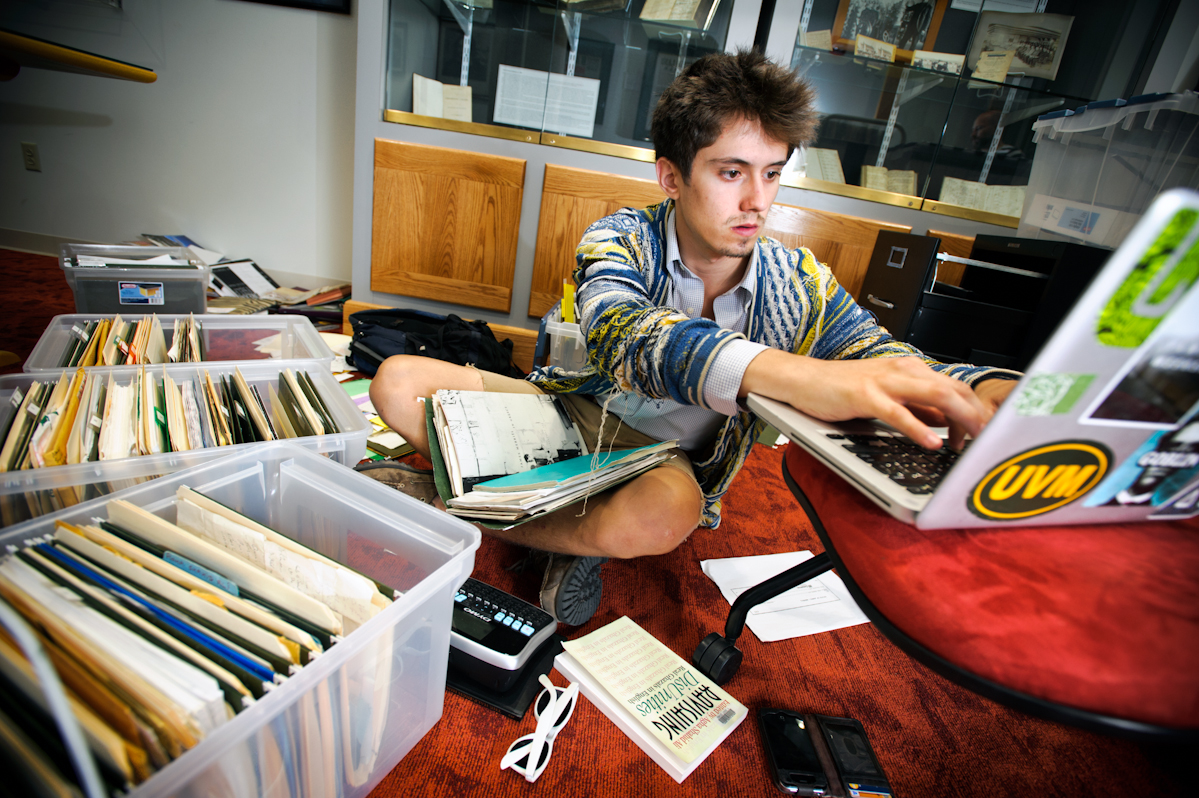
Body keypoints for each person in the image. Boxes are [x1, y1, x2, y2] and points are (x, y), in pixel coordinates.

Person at [369, 49, 1019, 627]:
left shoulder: (799, 282)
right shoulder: (618, 237)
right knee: (399, 381)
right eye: (731, 173)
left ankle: (458, 507)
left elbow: (882, 359)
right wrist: (798, 376)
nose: (756, 201)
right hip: (570, 416)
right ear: (671, 177)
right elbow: (628, 336)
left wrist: (985, 386)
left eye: (771, 173)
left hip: (664, 464)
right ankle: (571, 535)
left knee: (665, 518)